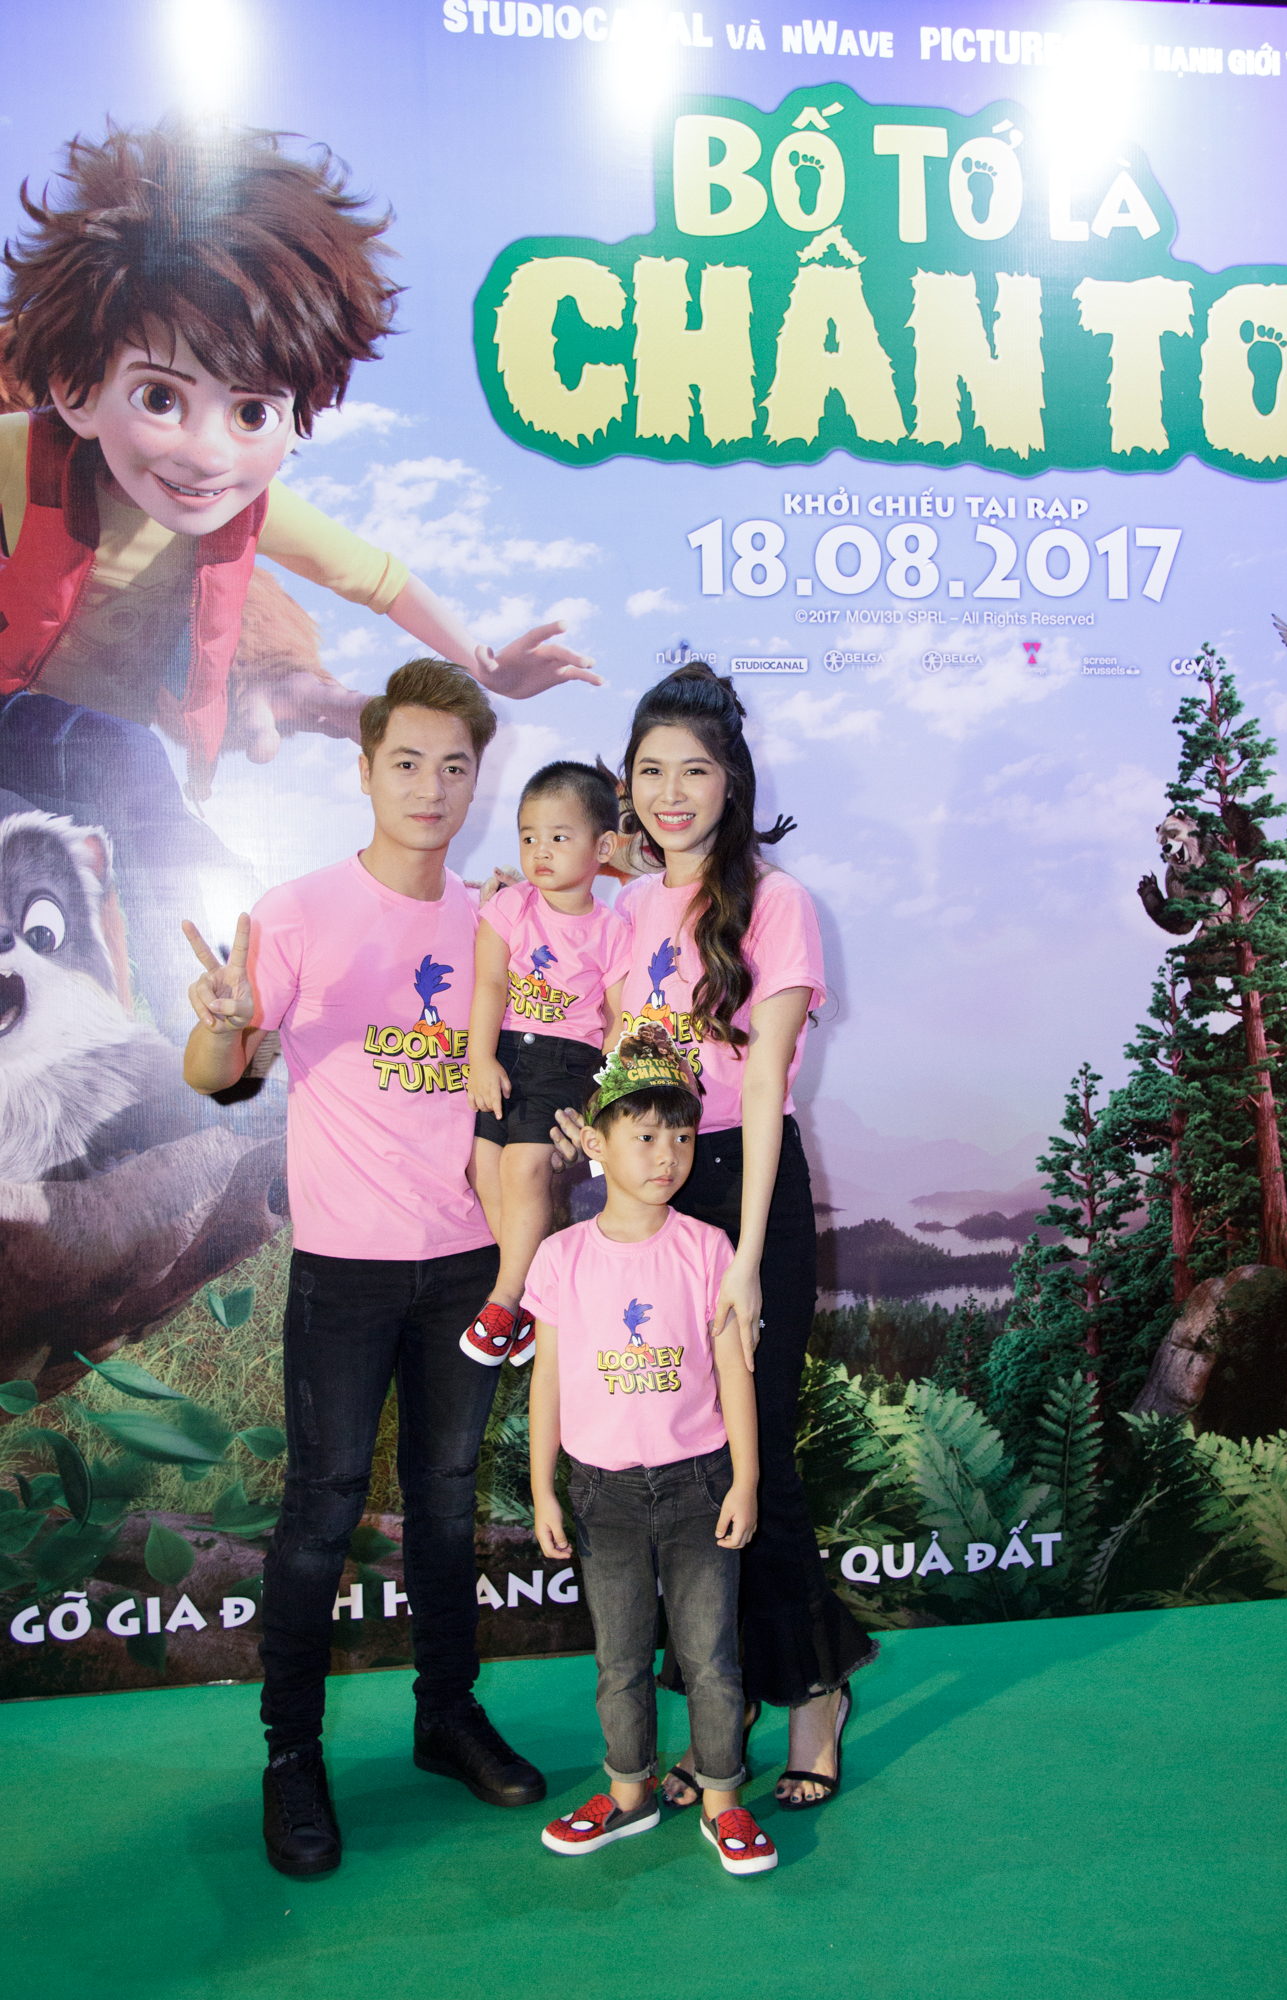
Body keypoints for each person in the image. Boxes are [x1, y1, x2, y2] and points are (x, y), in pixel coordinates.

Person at [182, 658, 546, 1879]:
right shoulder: (296, 911)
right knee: (322, 1509)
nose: (431, 787)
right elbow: (216, 1070)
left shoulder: (494, 920)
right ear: (365, 770)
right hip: (344, 1270)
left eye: (455, 766)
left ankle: (447, 1715)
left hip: (466, 1266)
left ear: (476, 781)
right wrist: (222, 1021)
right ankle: (290, 1755)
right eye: (407, 762)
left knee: (445, 1501)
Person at [0, 120, 598, 805]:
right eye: (161, 398)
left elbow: (377, 579)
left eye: (251, 413)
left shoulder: (244, 507)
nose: (207, 454)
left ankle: (281, 686)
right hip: (24, 717)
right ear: (76, 394)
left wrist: (485, 666)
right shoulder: (24, 455)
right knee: (123, 763)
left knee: (143, 776)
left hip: (115, 737)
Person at [557, 662, 874, 1809]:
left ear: (732, 779)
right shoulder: (625, 910)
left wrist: (742, 1261)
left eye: (694, 769)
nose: (671, 792)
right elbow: (608, 1056)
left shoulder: (776, 903)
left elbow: (771, 1083)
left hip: (745, 1187)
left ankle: (815, 1692)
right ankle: (718, 1704)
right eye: (650, 771)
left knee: (755, 1454)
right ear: (626, 785)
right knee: (683, 1467)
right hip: (648, 1189)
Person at [528, 1030, 778, 1876]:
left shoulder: (707, 1250)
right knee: (620, 1660)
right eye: (644, 1135)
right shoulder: (560, 1257)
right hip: (601, 1494)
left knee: (710, 1660)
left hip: (698, 1484)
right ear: (596, 1145)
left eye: (681, 1135)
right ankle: (628, 1793)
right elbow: (547, 1381)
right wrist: (543, 1489)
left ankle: (722, 1801)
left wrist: (745, 1479)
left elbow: (733, 1372)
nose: (667, 1154)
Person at [462, 761, 631, 1365]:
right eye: (529, 836)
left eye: (559, 837)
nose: (540, 850)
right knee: (483, 1168)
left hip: (567, 1063)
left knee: (525, 1167)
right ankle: (537, 1301)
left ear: (603, 848)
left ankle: (505, 1301)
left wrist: (600, 1099)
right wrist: (479, 1057)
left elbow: (619, 1020)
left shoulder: (613, 930)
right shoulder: (509, 908)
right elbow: (489, 985)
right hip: (505, 1053)